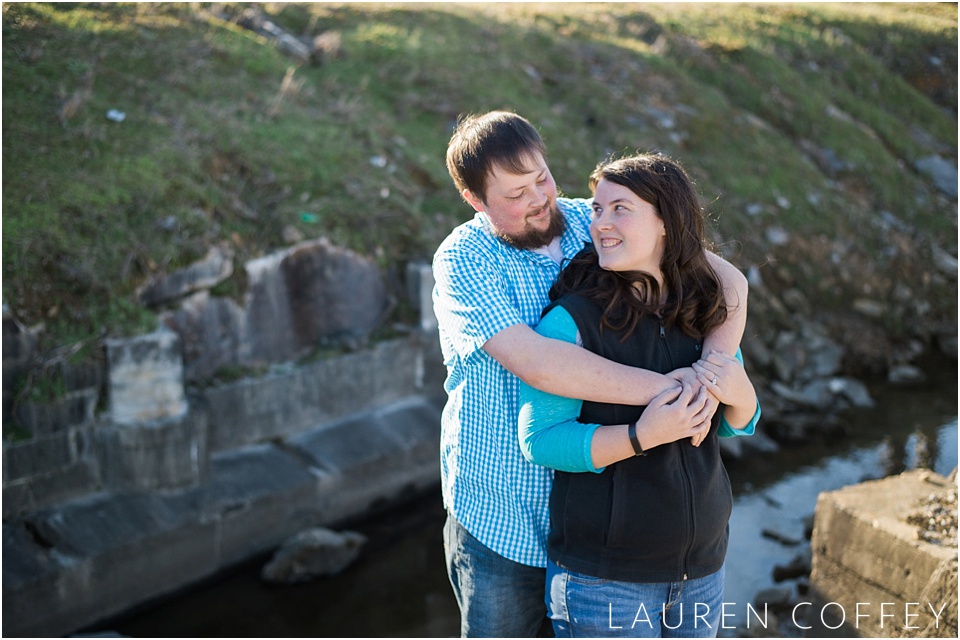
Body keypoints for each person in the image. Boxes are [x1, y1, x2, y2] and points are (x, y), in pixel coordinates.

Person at [432, 111, 753, 637]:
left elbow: (726, 277)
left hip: (597, 509)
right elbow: (539, 363)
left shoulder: (593, 220)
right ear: (475, 201)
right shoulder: (464, 260)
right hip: (504, 512)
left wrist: (714, 368)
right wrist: (675, 390)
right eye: (515, 194)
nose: (539, 199)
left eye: (542, 178)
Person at [517, 153, 761, 638]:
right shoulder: (571, 320)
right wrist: (639, 435)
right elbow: (541, 440)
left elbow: (738, 422)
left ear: (666, 221)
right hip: (605, 581)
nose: (600, 224)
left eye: (619, 209)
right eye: (596, 209)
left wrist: (740, 389)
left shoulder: (702, 307)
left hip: (703, 571)